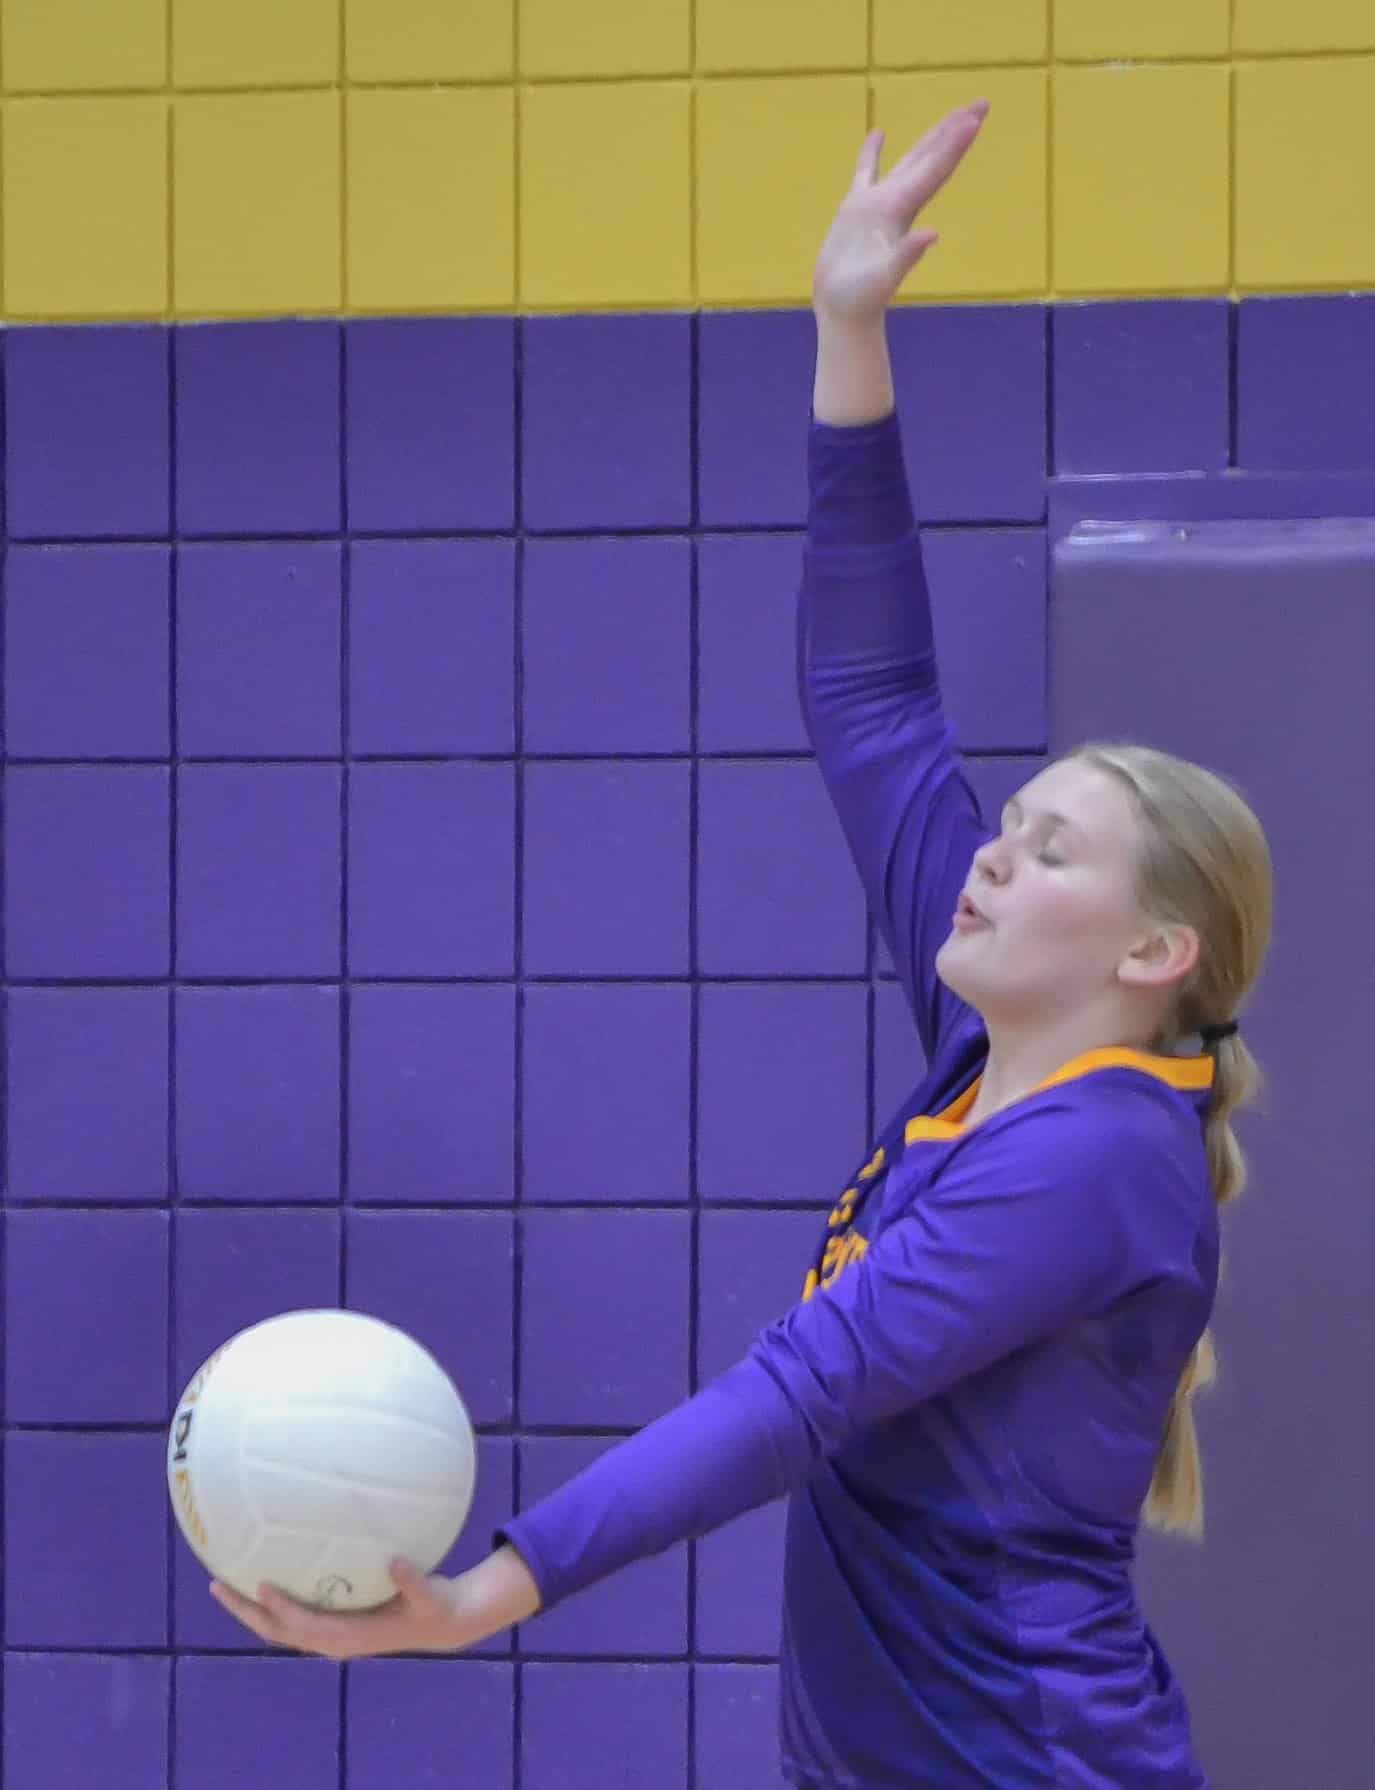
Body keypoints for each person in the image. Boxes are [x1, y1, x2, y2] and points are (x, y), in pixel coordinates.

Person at [214, 101, 1274, 1788]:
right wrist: (846, 334)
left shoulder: (1099, 1159)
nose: (993, 850)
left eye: (1052, 846)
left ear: (1153, 951)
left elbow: (806, 1386)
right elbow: (872, 704)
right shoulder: (984, 1066)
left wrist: (496, 1584)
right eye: (1009, 822)